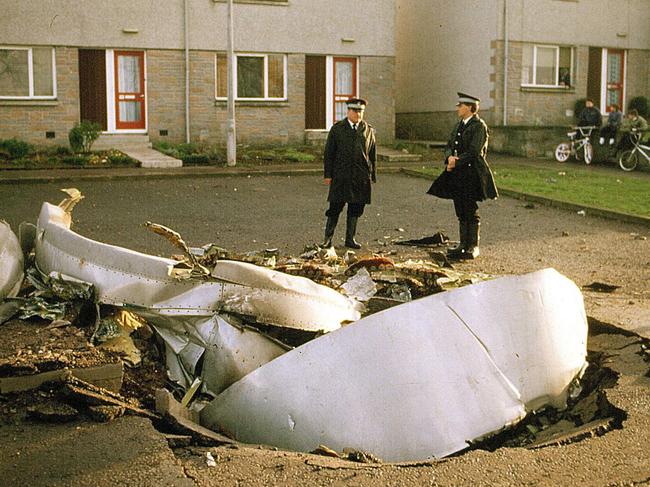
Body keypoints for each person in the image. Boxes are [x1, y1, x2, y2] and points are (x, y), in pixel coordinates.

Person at [427, 92, 498, 259]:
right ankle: (462, 245)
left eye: (461, 105)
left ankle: (473, 246)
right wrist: (449, 157)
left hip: (471, 173)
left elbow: (475, 151)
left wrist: (455, 161)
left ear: (470, 108)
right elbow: (449, 144)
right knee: (460, 207)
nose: (458, 108)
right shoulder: (459, 125)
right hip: (458, 173)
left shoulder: (479, 126)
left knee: (470, 209)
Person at [321, 97, 376, 249]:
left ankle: (350, 239)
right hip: (341, 176)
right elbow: (329, 153)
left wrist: (372, 175)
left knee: (356, 208)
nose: (358, 114)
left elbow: (372, 155)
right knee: (335, 208)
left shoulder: (368, 130)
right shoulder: (337, 129)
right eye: (355, 111)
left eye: (361, 111)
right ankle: (327, 239)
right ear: (348, 111)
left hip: (360, 177)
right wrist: (328, 175)